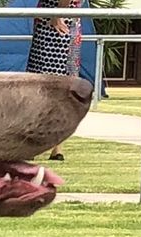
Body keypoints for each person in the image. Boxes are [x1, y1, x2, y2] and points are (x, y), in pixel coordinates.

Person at [27, 0, 82, 160]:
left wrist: (57, 15)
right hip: (61, 23)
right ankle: (56, 146)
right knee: (57, 86)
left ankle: (41, 144)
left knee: (46, 87)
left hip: (55, 27)